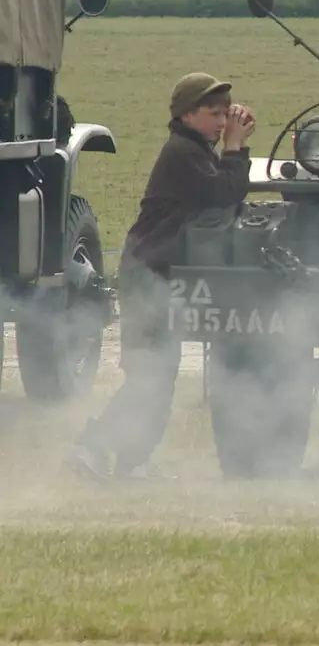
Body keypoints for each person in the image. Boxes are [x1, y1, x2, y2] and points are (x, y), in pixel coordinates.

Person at [68, 73, 256, 480]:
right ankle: (93, 447)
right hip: (150, 275)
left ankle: (130, 462)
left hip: (157, 274)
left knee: (157, 377)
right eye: (213, 113)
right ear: (187, 114)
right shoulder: (183, 154)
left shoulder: (194, 149)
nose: (222, 122)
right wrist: (236, 148)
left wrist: (231, 148)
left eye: (226, 114)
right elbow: (224, 193)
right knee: (150, 377)